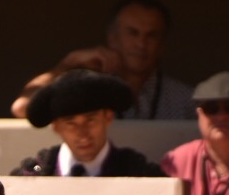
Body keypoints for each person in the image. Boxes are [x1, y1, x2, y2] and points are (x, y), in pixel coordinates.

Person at [10, 0, 193, 122]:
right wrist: (67, 65)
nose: (141, 44)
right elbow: (22, 108)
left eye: (151, 35)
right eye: (133, 33)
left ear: (162, 44)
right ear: (113, 38)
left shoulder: (185, 99)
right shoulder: (86, 90)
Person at [10, 69, 163, 178]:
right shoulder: (33, 176)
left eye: (91, 120)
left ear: (108, 117)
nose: (82, 134)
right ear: (56, 127)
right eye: (71, 123)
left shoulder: (138, 174)